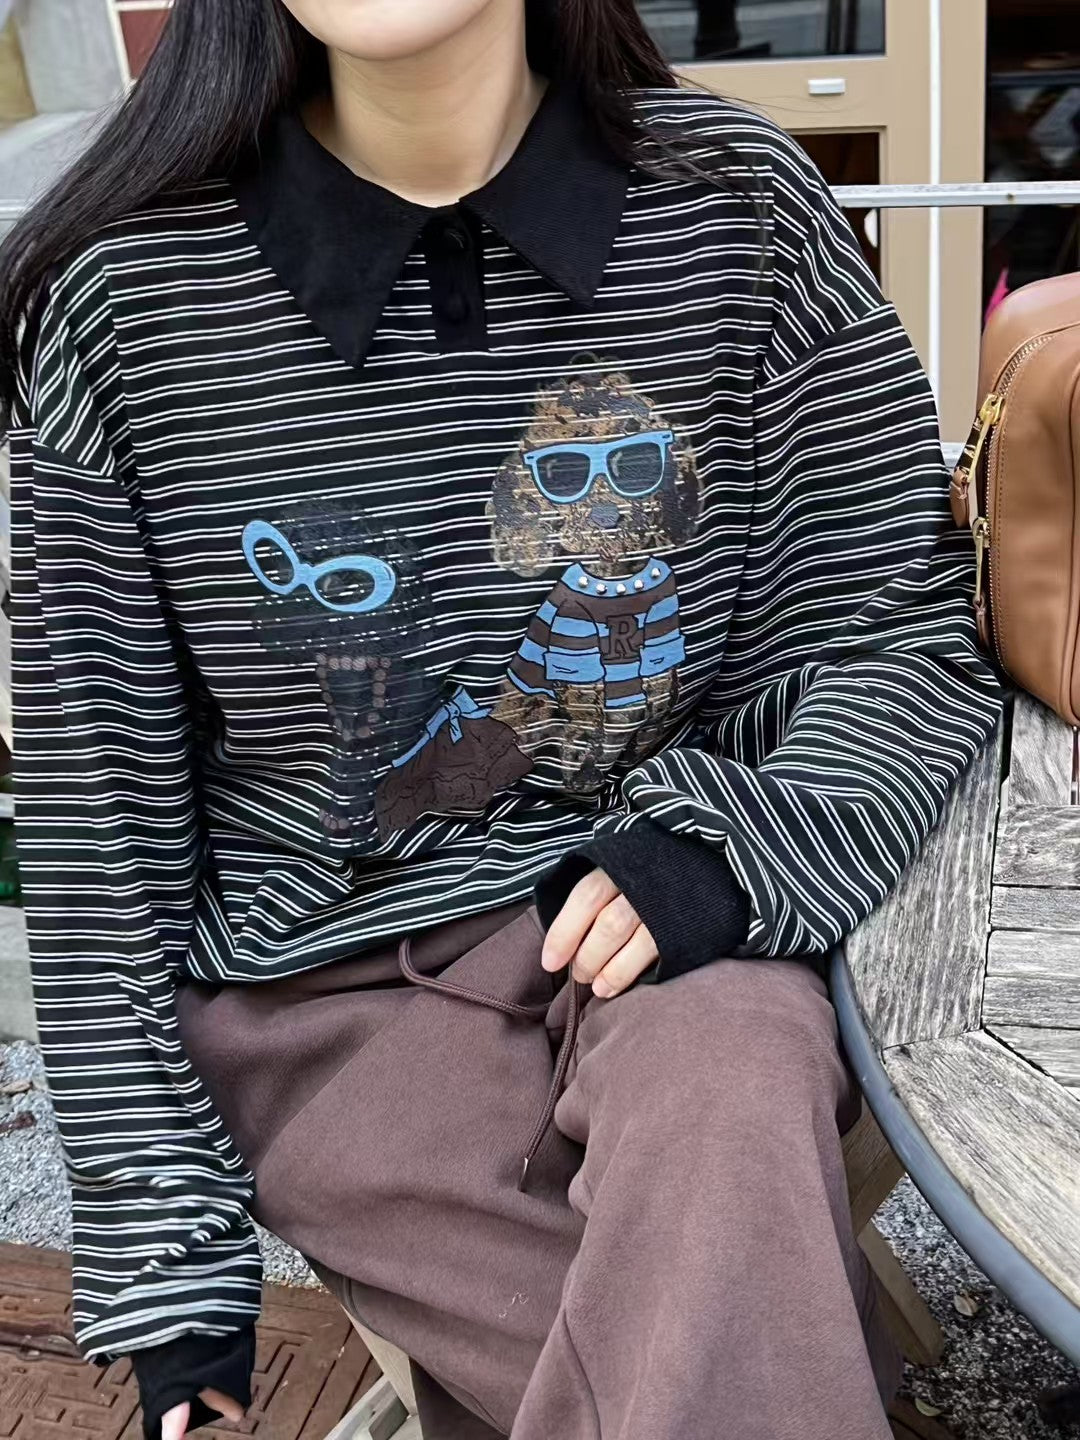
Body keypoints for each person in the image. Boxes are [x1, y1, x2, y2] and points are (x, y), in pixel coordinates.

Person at [0, 1, 1002, 1437]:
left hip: (668, 919)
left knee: (729, 1073)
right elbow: (98, 827)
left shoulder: (740, 212)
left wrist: (737, 852)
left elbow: (893, 622)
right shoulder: (126, 300)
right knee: (738, 1351)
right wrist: (173, 1271)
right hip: (327, 1003)